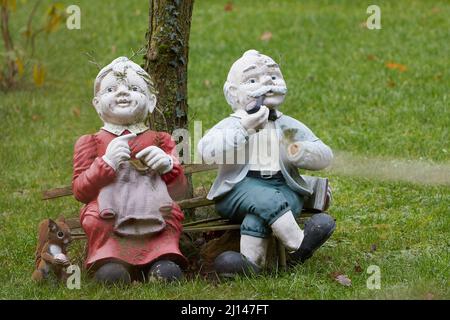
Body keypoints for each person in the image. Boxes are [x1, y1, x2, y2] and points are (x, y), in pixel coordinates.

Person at [198, 50, 336, 276]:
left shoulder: (289, 125)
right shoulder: (232, 124)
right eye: (252, 80)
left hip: (284, 188)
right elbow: (206, 151)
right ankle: (299, 245)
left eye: (273, 77)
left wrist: (299, 151)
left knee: (260, 213)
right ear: (233, 93)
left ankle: (249, 266)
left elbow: (325, 155)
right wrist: (244, 128)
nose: (267, 83)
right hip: (237, 190)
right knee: (266, 200)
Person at [72, 57, 187, 284]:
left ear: (151, 101)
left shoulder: (161, 140)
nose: (122, 93)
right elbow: (80, 191)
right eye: (111, 89)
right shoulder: (91, 142)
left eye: (134, 88)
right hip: (110, 209)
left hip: (153, 204)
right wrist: (106, 163)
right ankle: (111, 262)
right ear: (96, 104)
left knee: (170, 212)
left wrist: (168, 166)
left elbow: (180, 190)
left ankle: (161, 260)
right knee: (96, 217)